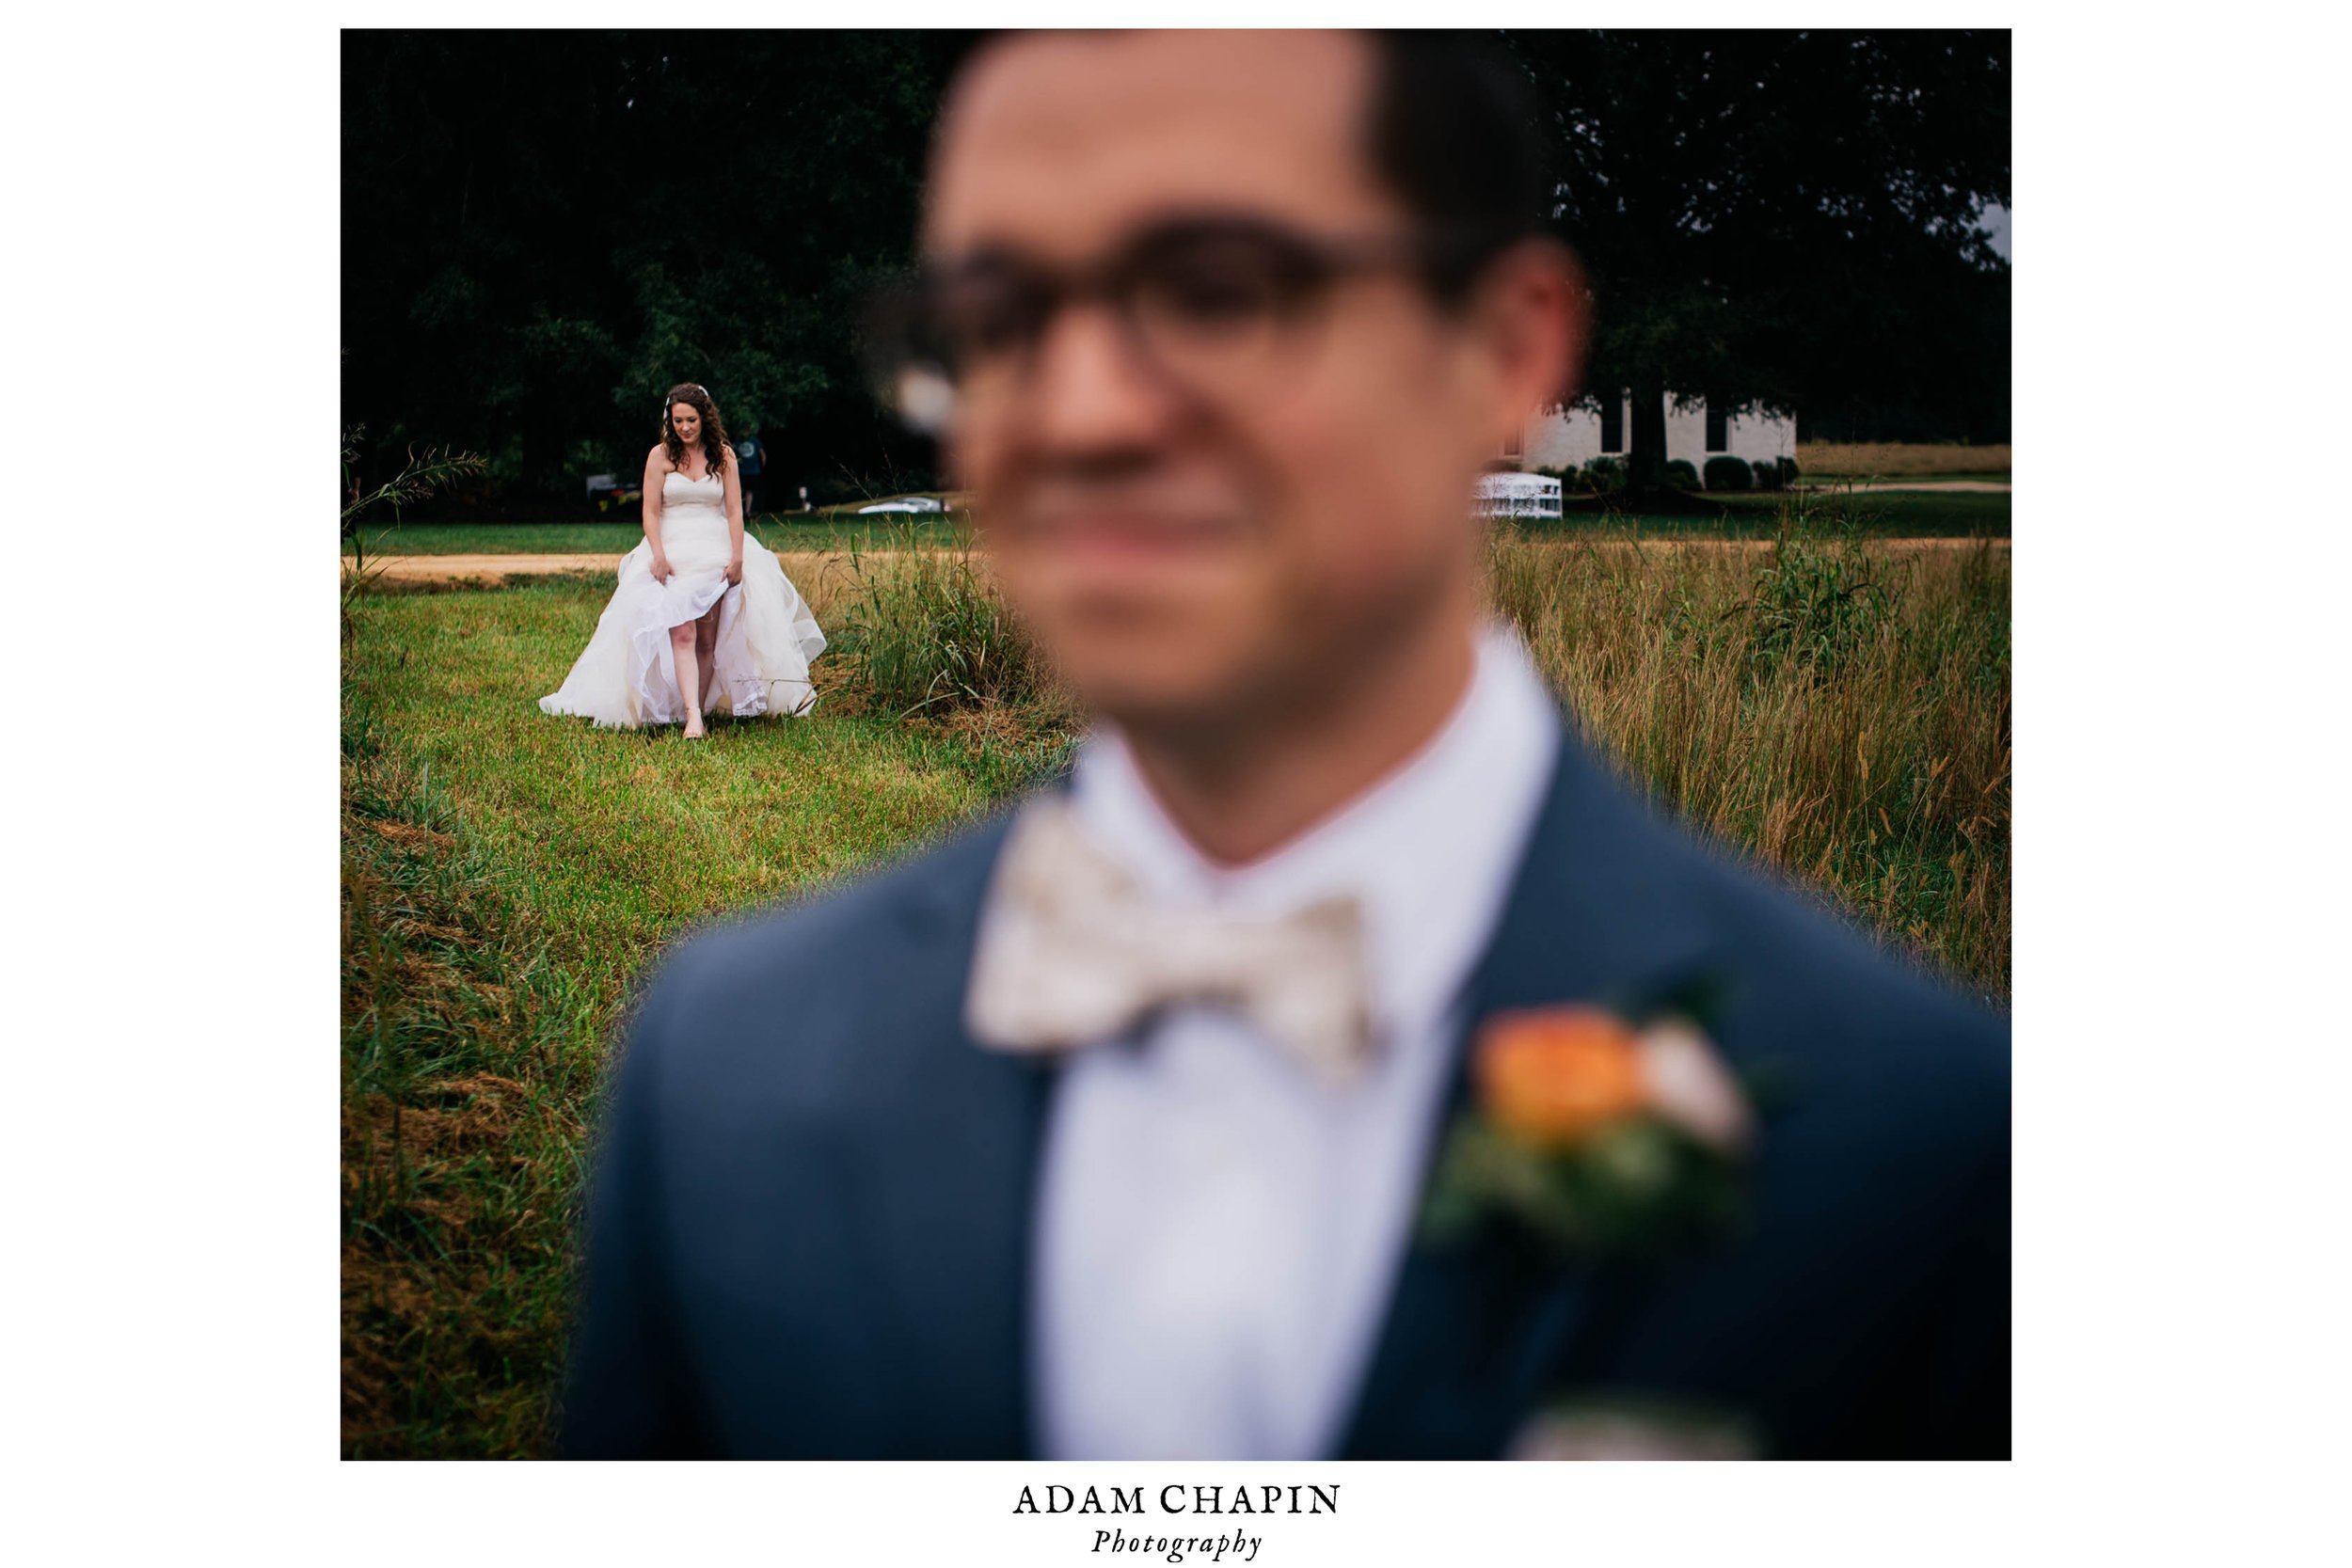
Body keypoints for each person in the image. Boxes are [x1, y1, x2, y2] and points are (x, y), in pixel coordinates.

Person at [564, 31, 2008, 1458]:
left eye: (1215, 293)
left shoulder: (1926, 1152)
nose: (1083, 413)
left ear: (1504, 350)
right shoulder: (722, 1071)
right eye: (1000, 318)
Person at [539, 384, 825, 737]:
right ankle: (692, 718)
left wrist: (737, 558)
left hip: (715, 552)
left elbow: (735, 512)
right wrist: (657, 554)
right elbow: (650, 511)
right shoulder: (659, 456)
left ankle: (699, 709)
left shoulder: (724, 456)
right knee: (683, 631)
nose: (685, 427)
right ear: (669, 420)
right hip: (673, 553)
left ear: (705, 418)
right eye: (678, 420)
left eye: (691, 420)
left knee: (706, 638)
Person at [734, 430, 765, 517]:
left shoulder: (755, 441)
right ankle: (737, 511)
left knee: (749, 490)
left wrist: (762, 465)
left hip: (753, 470)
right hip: (741, 470)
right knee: (738, 490)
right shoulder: (738, 442)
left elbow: (762, 454)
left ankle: (747, 511)